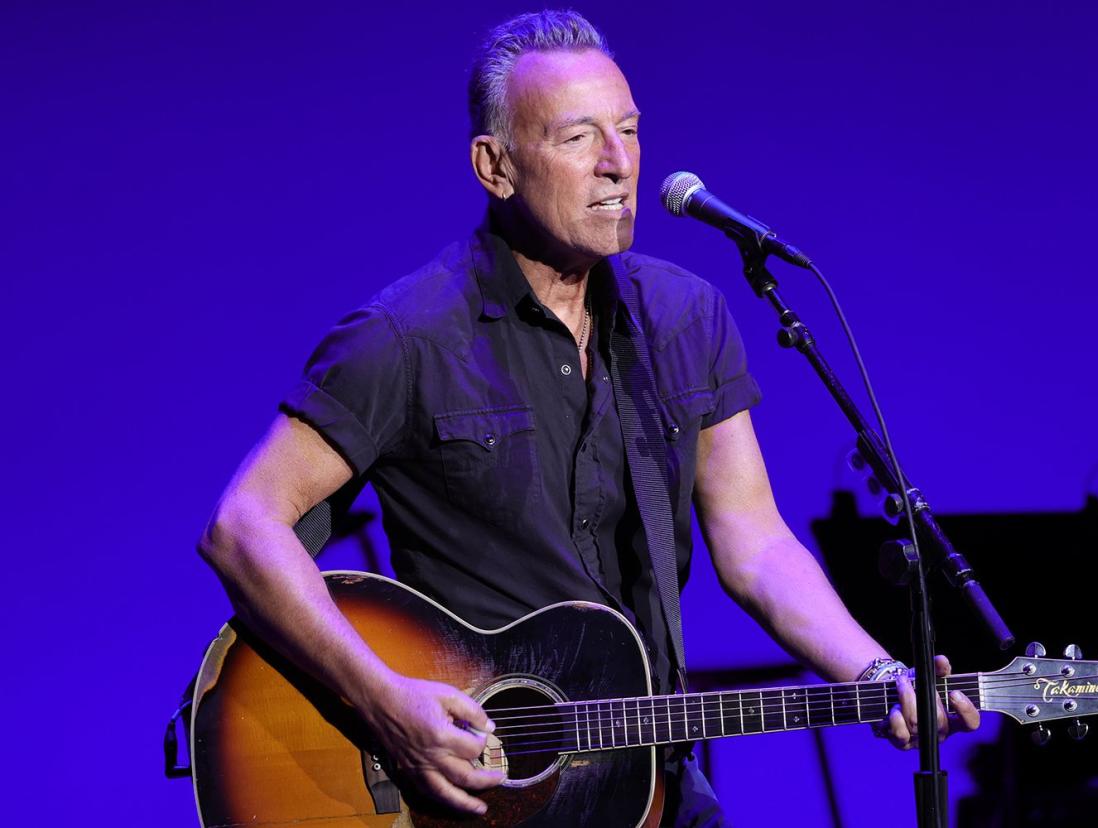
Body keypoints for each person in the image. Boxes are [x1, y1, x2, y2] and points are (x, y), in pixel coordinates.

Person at [198, 10, 980, 826]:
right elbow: (243, 525)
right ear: (495, 166)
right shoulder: (407, 337)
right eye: (578, 139)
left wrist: (872, 671)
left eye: (630, 130)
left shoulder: (686, 319)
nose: (619, 165)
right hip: (471, 796)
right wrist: (388, 702)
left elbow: (754, 543)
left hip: (650, 785)